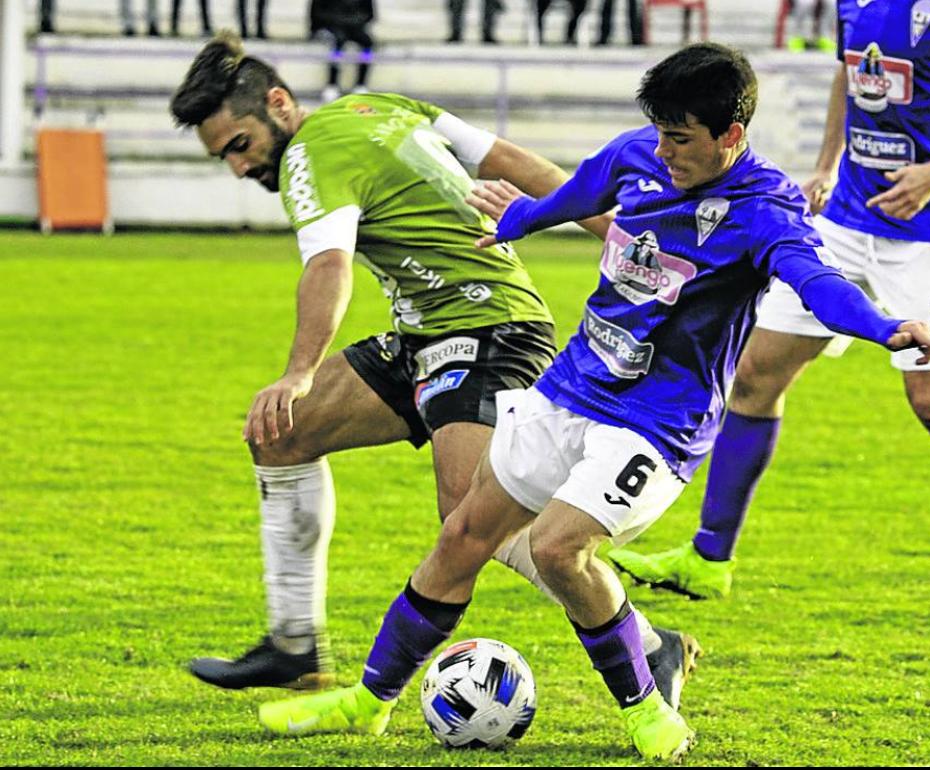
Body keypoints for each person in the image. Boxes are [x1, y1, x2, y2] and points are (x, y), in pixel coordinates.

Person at [251, 42, 930, 762]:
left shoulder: (765, 213)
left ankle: (645, 707)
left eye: (681, 139)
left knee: (558, 549)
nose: (664, 150)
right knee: (462, 536)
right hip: (571, 386)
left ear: (730, 137)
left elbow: (818, 284)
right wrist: (523, 219)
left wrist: (883, 326)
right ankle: (367, 704)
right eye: (660, 133)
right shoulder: (639, 155)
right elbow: (584, 191)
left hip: (654, 425)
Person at [168, 32, 697, 701]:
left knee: (474, 518)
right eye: (224, 158)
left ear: (278, 103)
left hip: (489, 330)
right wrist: (619, 236)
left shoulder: (309, 156)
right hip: (428, 332)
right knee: (281, 434)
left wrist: (298, 369)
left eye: (240, 146)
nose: (239, 168)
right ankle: (294, 645)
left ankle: (652, 646)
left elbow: (328, 267)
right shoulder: (378, 106)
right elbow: (508, 162)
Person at [609, 0, 930, 620]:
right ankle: (708, 559)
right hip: (847, 221)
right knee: (754, 375)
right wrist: (828, 163)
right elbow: (848, 74)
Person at [310, 0, 375, 101]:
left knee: (368, 44)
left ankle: (361, 84)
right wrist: (338, 21)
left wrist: (354, 21)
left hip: (355, 26)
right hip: (331, 27)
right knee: (337, 44)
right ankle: (332, 84)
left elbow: (370, 14)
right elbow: (317, 14)